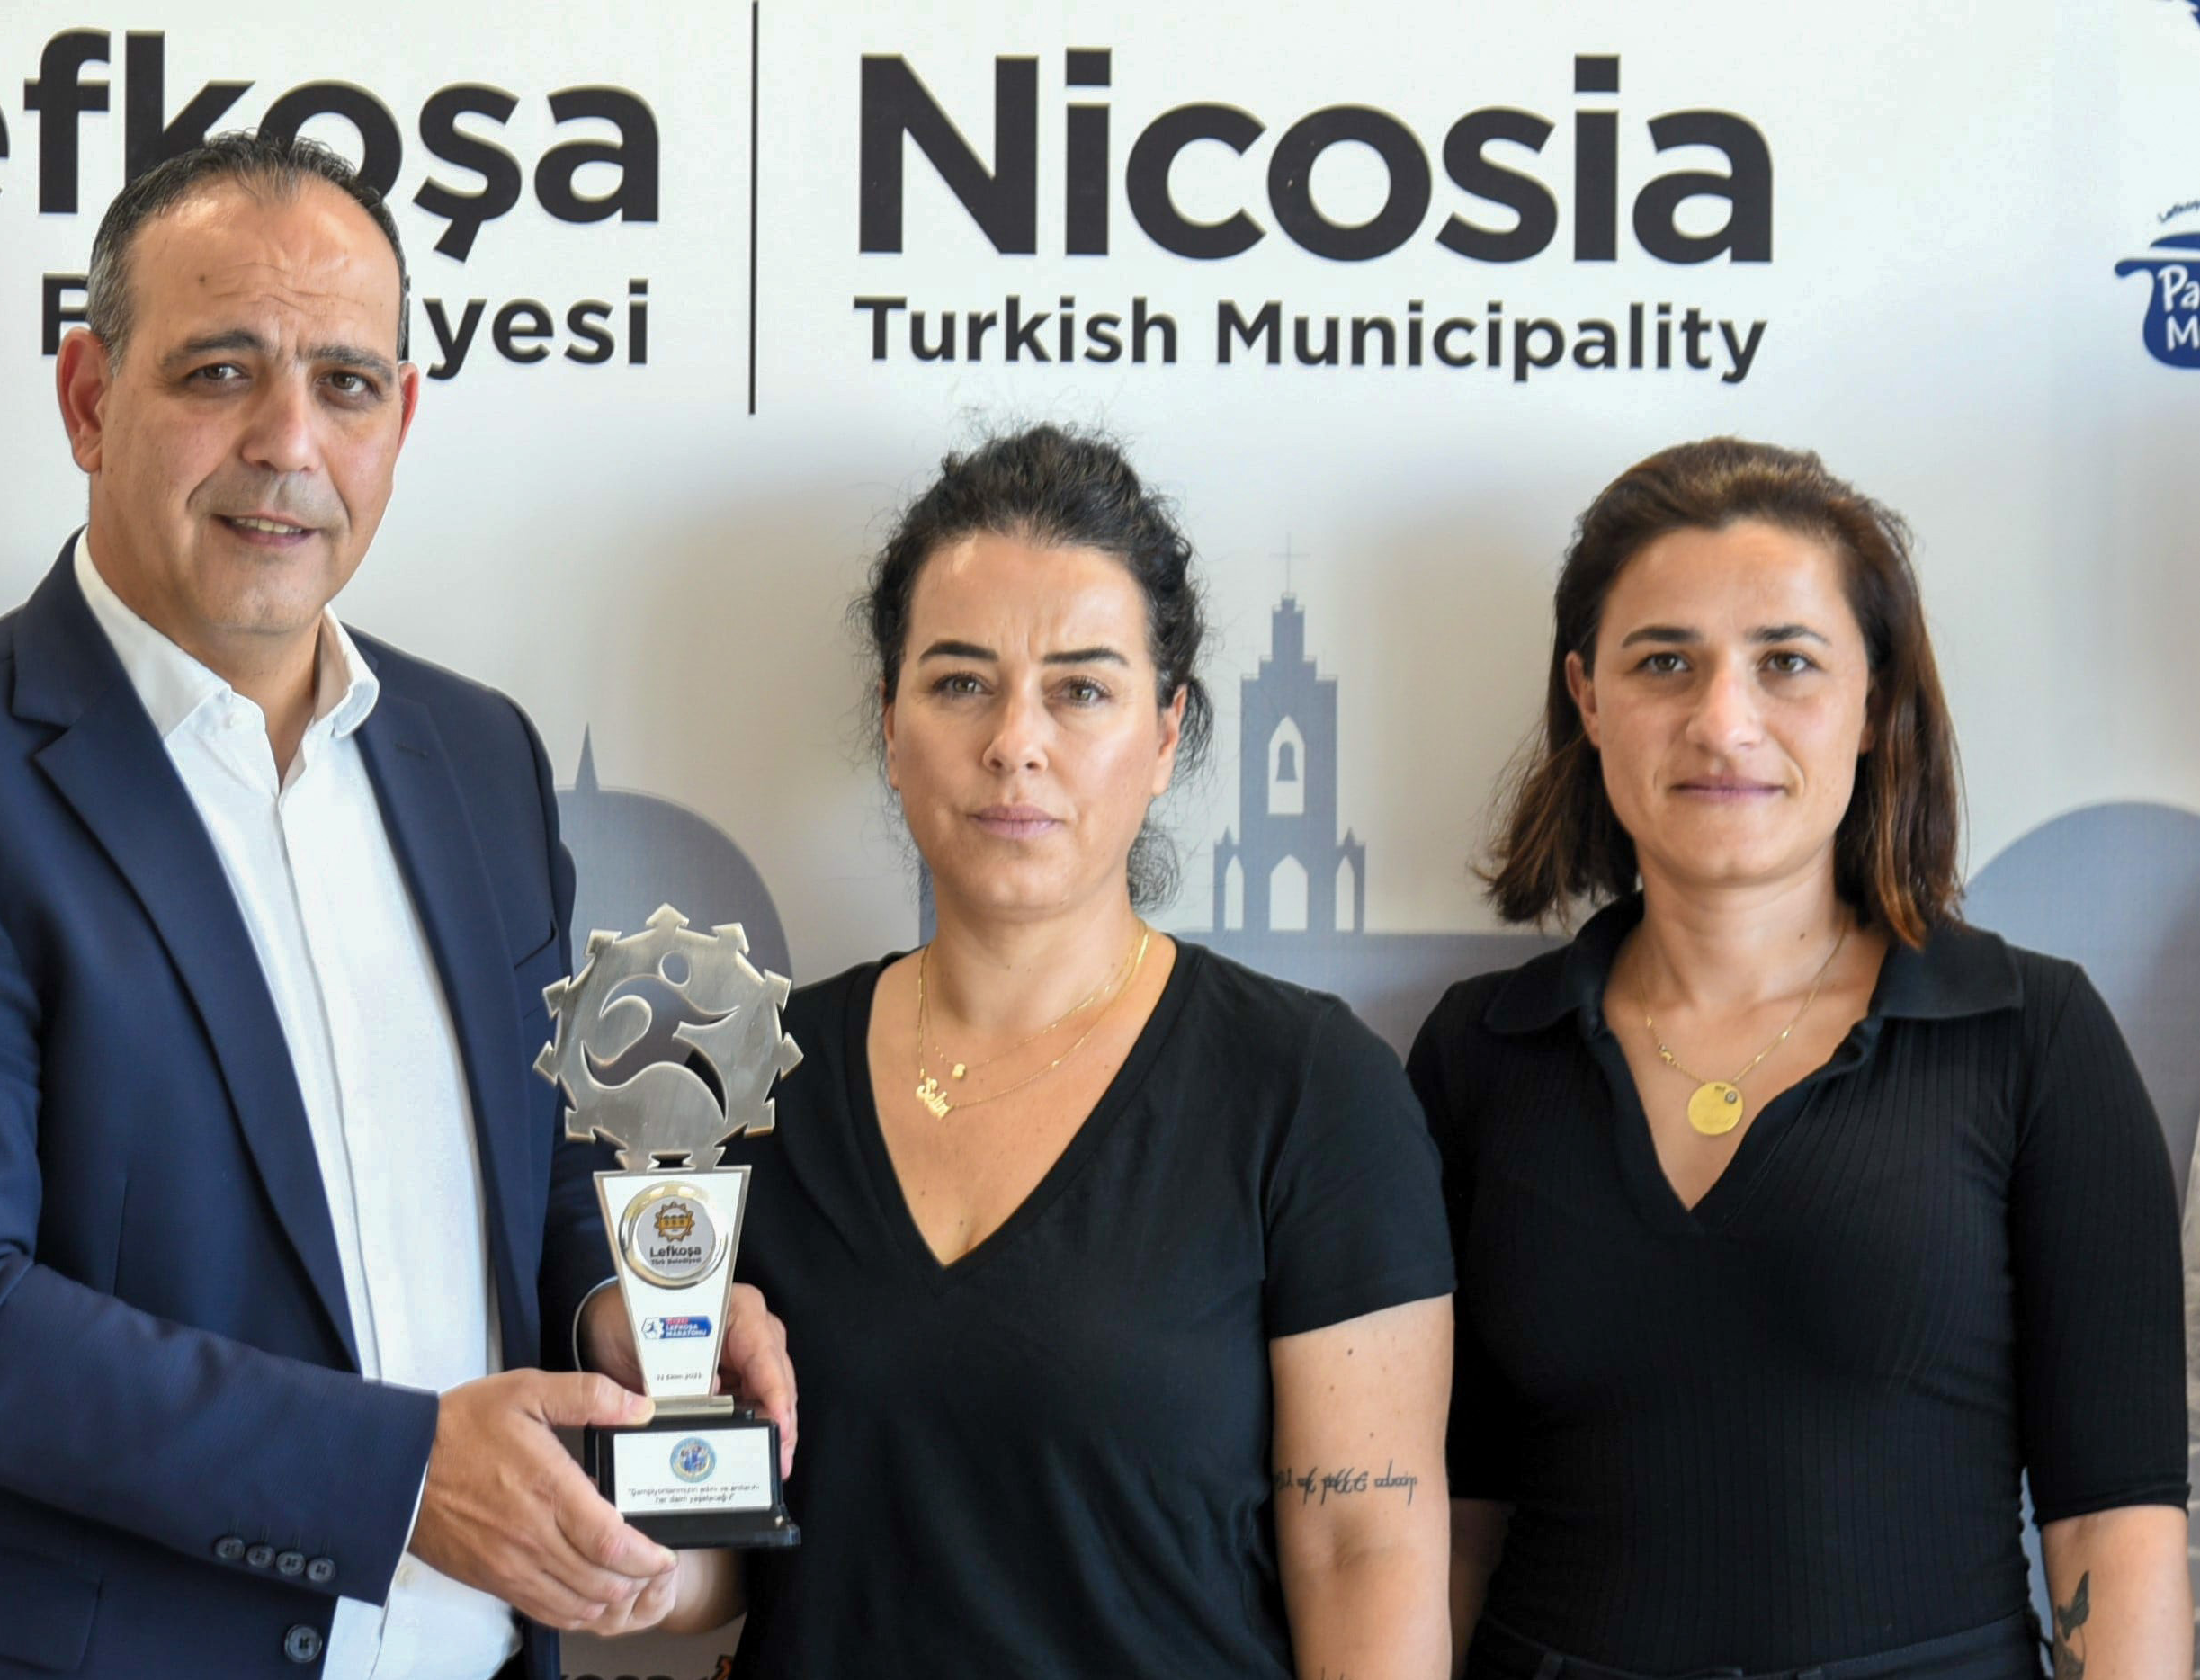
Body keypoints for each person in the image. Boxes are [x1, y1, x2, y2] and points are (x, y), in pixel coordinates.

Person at [0, 130, 795, 1680]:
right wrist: (403, 1476)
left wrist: (620, 1314)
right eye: (219, 372)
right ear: (89, 399)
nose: (287, 441)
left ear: (399, 422)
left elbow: (535, 1174)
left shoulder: (476, 759)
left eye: (345, 385)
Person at [666, 424, 1457, 1677]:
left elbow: (1365, 1550)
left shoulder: (1310, 1090)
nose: (1014, 743)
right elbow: (711, 1576)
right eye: (958, 683)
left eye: (1081, 689)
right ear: (890, 726)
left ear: (1166, 733)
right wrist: (627, 1537)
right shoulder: (752, 1076)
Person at [1417, 438, 2191, 1680]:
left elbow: (2113, 1524)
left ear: (1875, 702)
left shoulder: (2029, 1038)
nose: (1722, 722)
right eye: (1663, 662)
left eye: (1786, 662)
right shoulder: (1479, 1056)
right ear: (1587, 697)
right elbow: (1450, 1523)